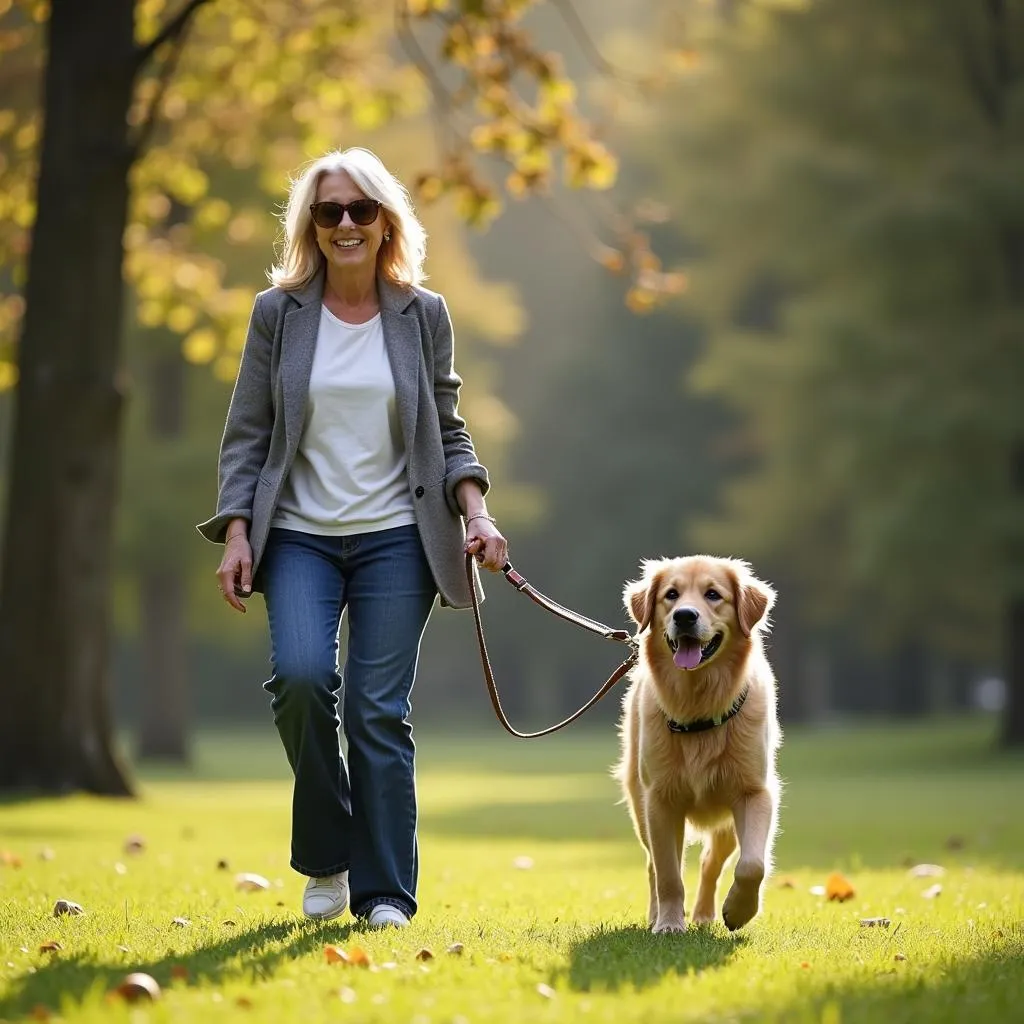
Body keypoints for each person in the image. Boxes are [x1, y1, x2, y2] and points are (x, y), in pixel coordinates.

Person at [197, 147, 508, 929]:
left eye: (359, 210)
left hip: (396, 538)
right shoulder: (279, 314)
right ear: (311, 223)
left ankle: (383, 894)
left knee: (376, 711)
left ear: (384, 222)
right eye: (328, 210)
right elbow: (247, 434)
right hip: (298, 536)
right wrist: (237, 534)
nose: (344, 224)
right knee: (301, 683)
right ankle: (329, 855)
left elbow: (448, 426)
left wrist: (478, 515)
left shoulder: (421, 314)